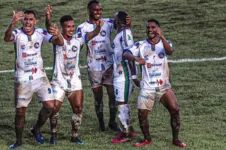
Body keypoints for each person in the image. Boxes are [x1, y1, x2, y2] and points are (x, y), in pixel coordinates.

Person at [40, 6, 103, 145]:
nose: (71, 29)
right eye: (68, 27)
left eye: (73, 26)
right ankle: (53, 135)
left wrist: (98, 27)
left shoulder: (78, 39)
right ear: (62, 27)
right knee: (54, 109)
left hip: (74, 80)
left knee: (78, 108)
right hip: (59, 81)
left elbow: (93, 34)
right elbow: (49, 27)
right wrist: (48, 18)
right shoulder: (57, 39)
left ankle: (75, 136)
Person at [3, 9, 64, 149]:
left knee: (50, 106)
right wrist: (12, 23)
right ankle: (18, 141)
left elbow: (59, 42)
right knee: (20, 112)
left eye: (31, 19)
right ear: (22, 21)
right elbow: (6, 38)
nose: (27, 22)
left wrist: (58, 34)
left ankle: (35, 129)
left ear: (35, 21)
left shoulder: (41, 33)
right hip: (23, 78)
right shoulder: (17, 33)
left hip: (40, 77)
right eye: (25, 19)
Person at [124, 19, 186, 148]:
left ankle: (176, 139)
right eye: (148, 27)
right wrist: (136, 58)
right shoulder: (140, 45)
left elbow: (170, 51)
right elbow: (125, 53)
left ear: (158, 29)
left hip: (163, 86)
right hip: (147, 86)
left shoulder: (165, 43)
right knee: (142, 115)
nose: (150, 30)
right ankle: (147, 139)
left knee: (175, 110)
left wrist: (162, 37)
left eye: (153, 27)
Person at [76, 0, 127, 133]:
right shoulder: (82, 28)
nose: (98, 12)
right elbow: (76, 46)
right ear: (89, 11)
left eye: (100, 10)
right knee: (98, 98)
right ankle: (101, 123)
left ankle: (112, 122)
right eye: (95, 10)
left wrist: (126, 18)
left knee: (112, 95)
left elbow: (121, 21)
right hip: (93, 67)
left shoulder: (108, 23)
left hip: (109, 65)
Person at [110, 11, 145, 143]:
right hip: (119, 74)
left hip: (124, 75)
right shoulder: (121, 33)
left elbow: (128, 54)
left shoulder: (125, 33)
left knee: (122, 103)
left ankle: (127, 133)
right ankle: (128, 128)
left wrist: (134, 75)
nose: (113, 21)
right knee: (121, 102)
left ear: (118, 21)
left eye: (114, 19)